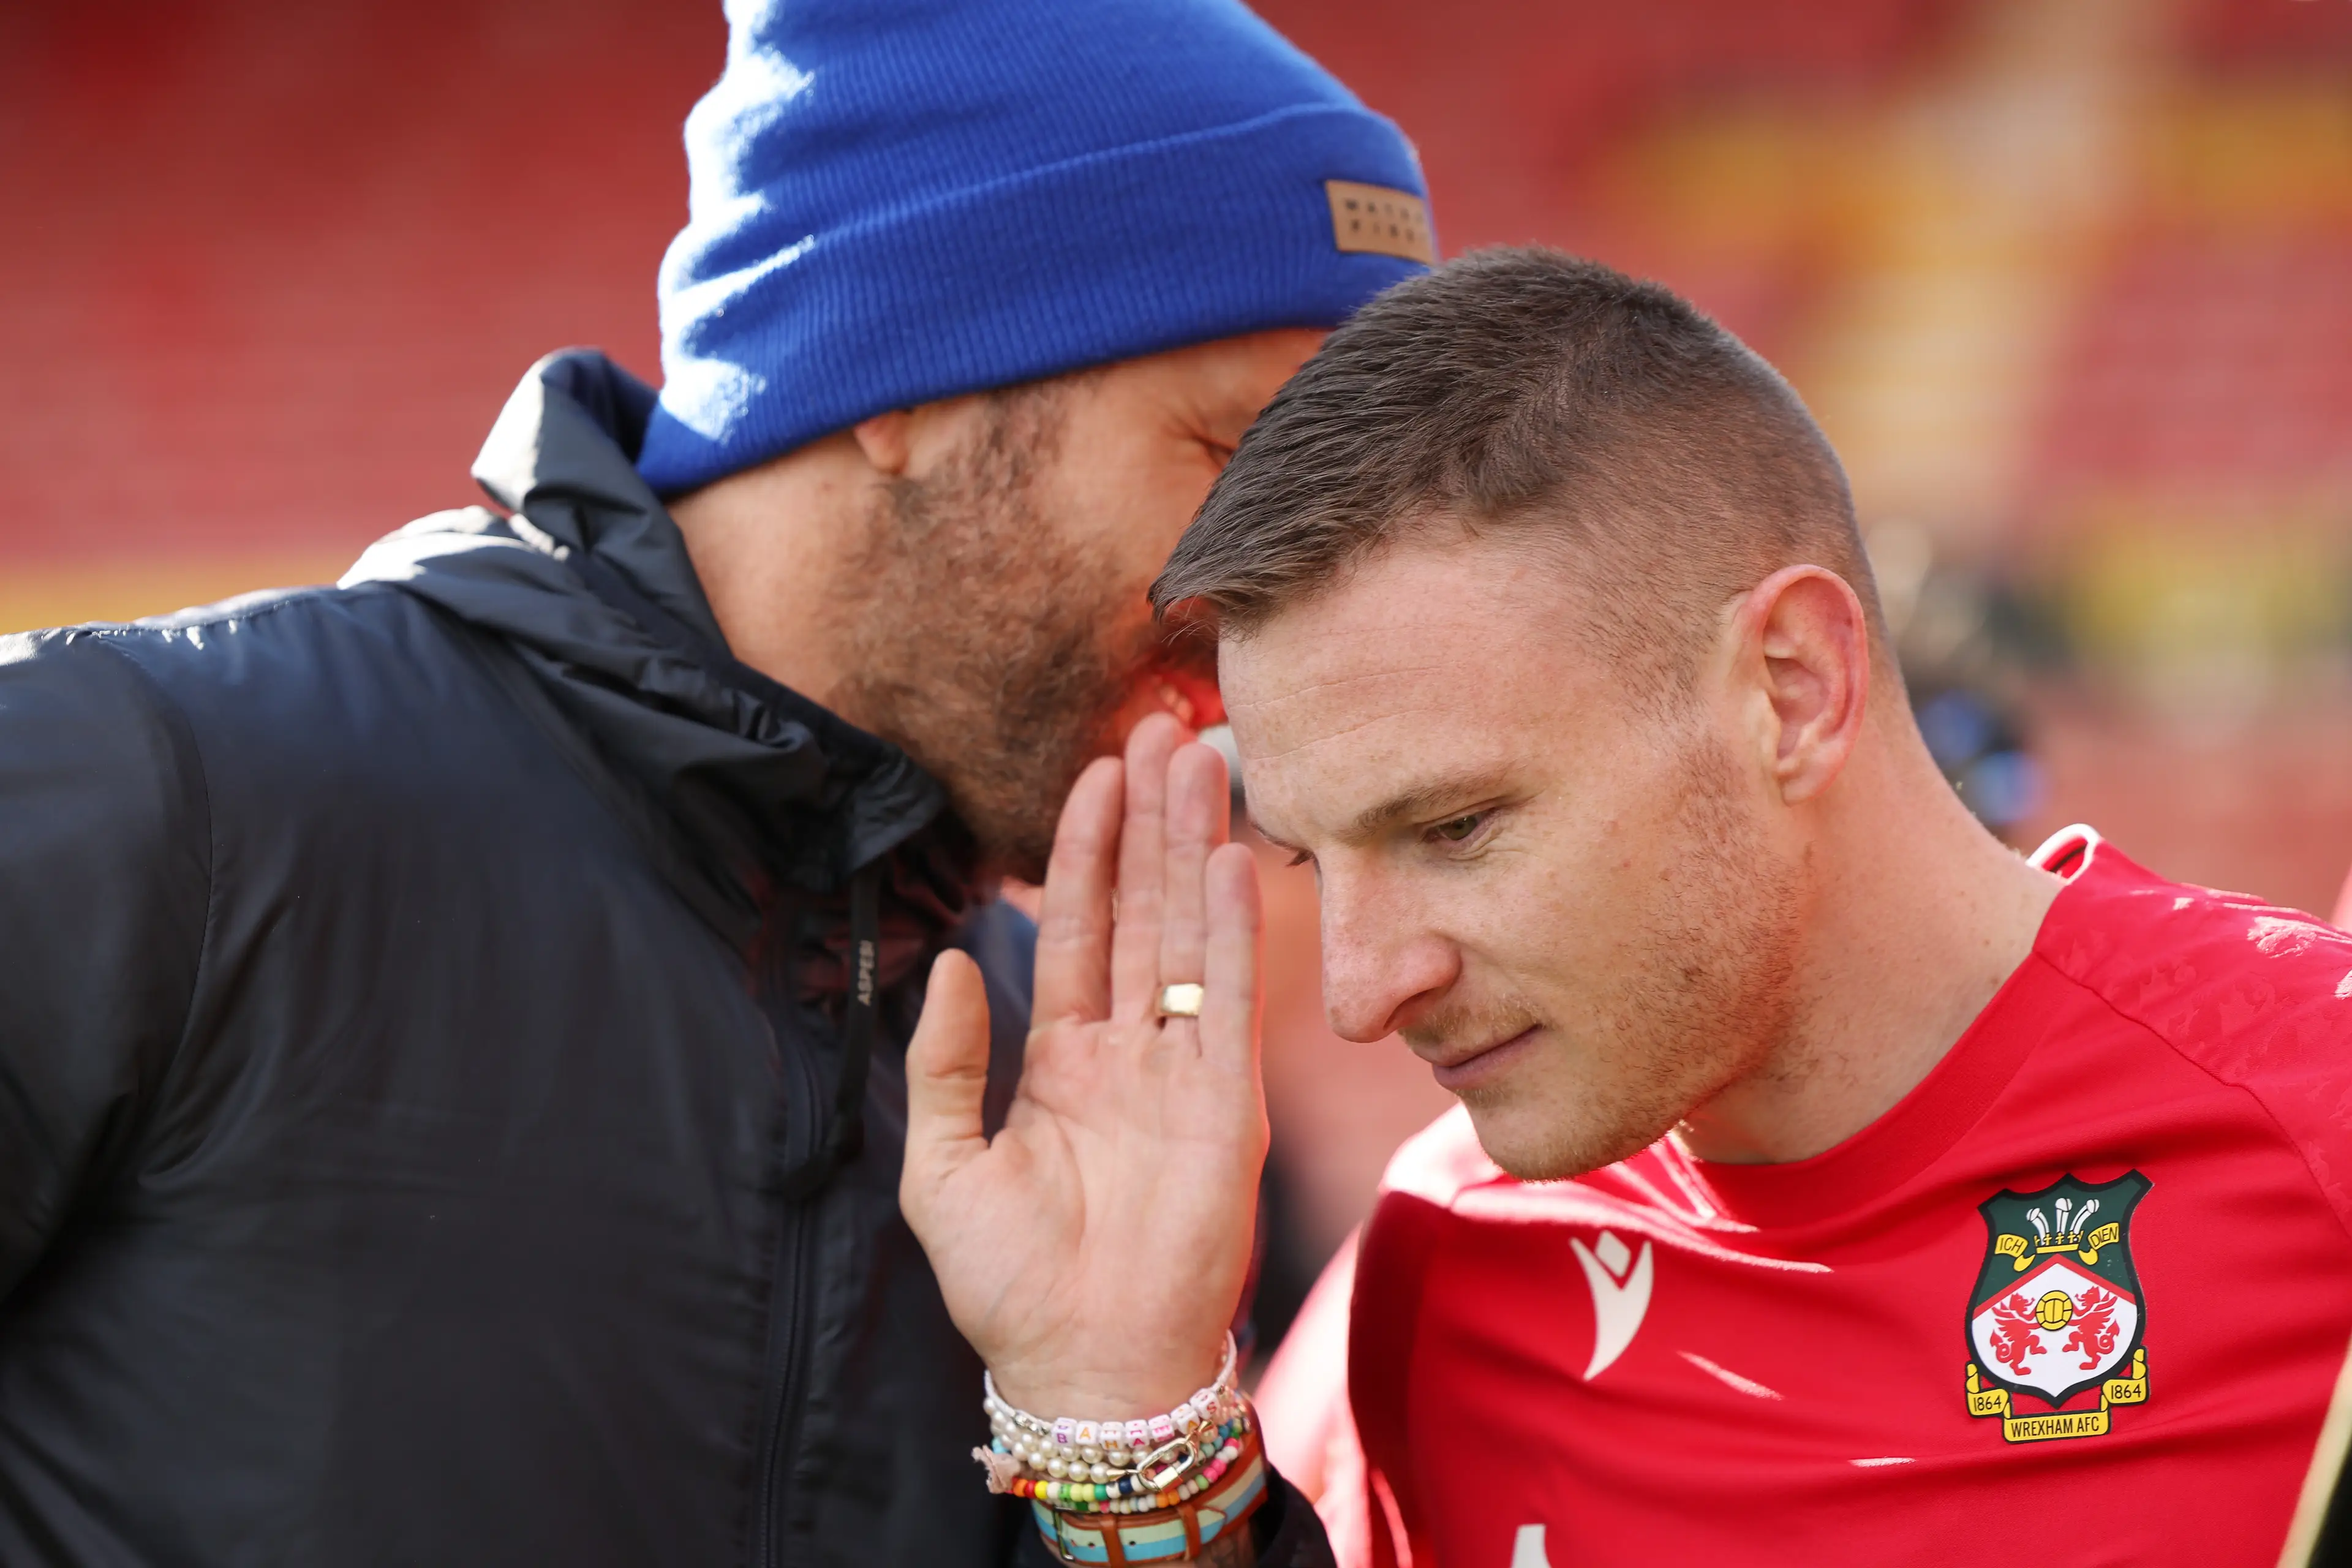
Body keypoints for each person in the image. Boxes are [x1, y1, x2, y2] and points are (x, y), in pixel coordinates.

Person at [0, 2, 1434, 1561]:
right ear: (906, 374)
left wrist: (1131, 1432)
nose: (1283, 597)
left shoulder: (1063, 1071)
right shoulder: (147, 796)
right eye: (1234, 454)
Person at [900, 249, 2352, 1564]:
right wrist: (1124, 1420)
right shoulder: (1449, 1253)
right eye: (1310, 860)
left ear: (1791, 686)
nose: (1357, 992)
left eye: (1457, 824)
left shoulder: (2318, 1123)